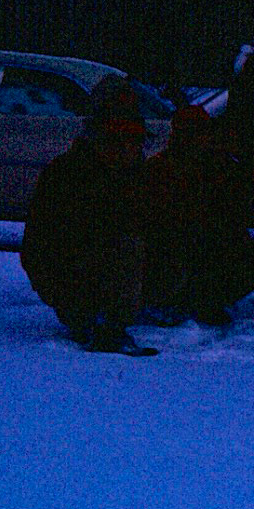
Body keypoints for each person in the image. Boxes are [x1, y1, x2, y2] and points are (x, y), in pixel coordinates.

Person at [20, 80, 157, 356]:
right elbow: (42, 245)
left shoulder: (134, 176)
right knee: (124, 247)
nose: (130, 149)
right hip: (70, 278)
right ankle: (101, 323)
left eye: (134, 141)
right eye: (121, 140)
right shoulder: (71, 174)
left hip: (93, 275)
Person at [139, 104, 254, 326]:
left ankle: (205, 299)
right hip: (176, 246)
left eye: (202, 133)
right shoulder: (162, 168)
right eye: (193, 133)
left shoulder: (219, 165)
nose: (200, 140)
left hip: (207, 242)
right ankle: (193, 301)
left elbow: (234, 204)